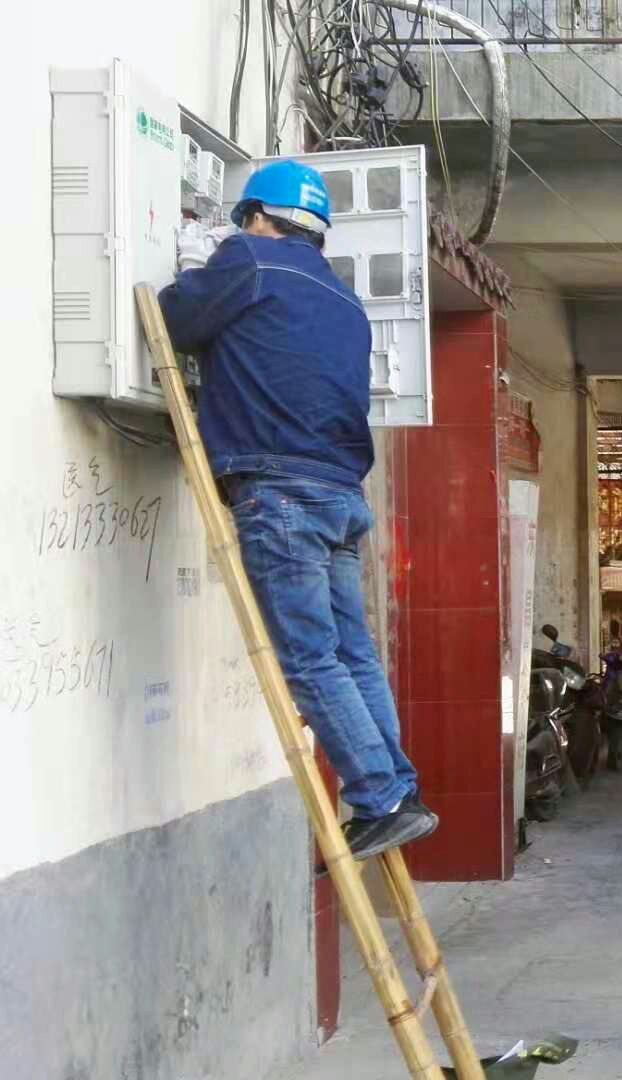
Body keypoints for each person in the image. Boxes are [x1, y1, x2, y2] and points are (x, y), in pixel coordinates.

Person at [159, 160, 435, 859]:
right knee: (352, 652)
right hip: (340, 494)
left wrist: (194, 264)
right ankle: (397, 791)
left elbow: (177, 318)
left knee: (310, 660)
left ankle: (379, 796)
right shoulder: (345, 300)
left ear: (257, 216)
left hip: (280, 494)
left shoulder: (248, 258)